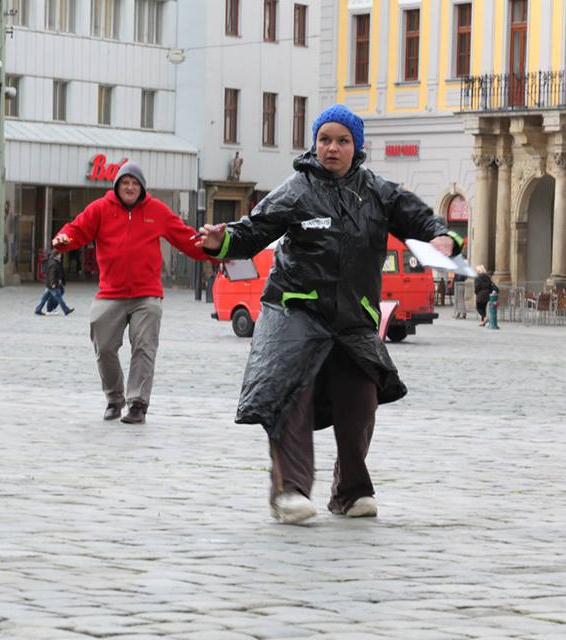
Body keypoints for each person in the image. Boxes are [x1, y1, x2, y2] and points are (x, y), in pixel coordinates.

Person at [195, 104, 463, 524]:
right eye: (324, 139)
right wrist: (220, 240)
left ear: (356, 147)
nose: (332, 148)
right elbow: (252, 232)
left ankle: (350, 492)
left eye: (342, 141)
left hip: (352, 315)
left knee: (361, 398)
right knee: (290, 396)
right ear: (315, 143)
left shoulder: (378, 192)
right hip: (294, 310)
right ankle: (289, 491)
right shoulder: (296, 190)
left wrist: (443, 238)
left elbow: (423, 221)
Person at [52, 161, 212, 424]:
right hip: (110, 292)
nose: (129, 187)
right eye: (125, 182)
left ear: (142, 187)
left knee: (144, 347)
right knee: (104, 347)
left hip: (146, 294)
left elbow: (186, 238)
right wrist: (63, 240)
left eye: (135, 183)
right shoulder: (100, 209)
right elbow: (77, 230)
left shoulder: (156, 210)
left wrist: (216, 250)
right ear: (117, 185)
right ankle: (114, 398)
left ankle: (137, 404)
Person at [34, 251, 74, 316]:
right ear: (56, 256)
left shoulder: (52, 262)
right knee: (59, 297)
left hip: (49, 283)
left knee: (44, 298)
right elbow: (52, 274)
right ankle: (66, 310)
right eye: (59, 254)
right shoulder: (53, 264)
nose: (60, 256)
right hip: (52, 284)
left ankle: (38, 309)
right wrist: (53, 283)